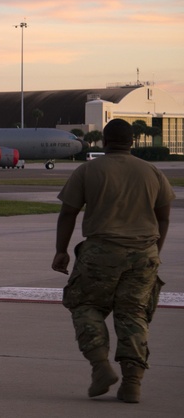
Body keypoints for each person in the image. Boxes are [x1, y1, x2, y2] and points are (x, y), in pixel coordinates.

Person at [52, 118, 174, 403]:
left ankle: (101, 366)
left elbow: (68, 212)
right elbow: (164, 216)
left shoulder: (88, 170)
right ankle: (132, 383)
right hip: (144, 253)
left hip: (101, 252)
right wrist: (155, 250)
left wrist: (61, 250)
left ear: (104, 142)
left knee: (85, 306)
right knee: (134, 315)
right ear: (132, 141)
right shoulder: (152, 172)